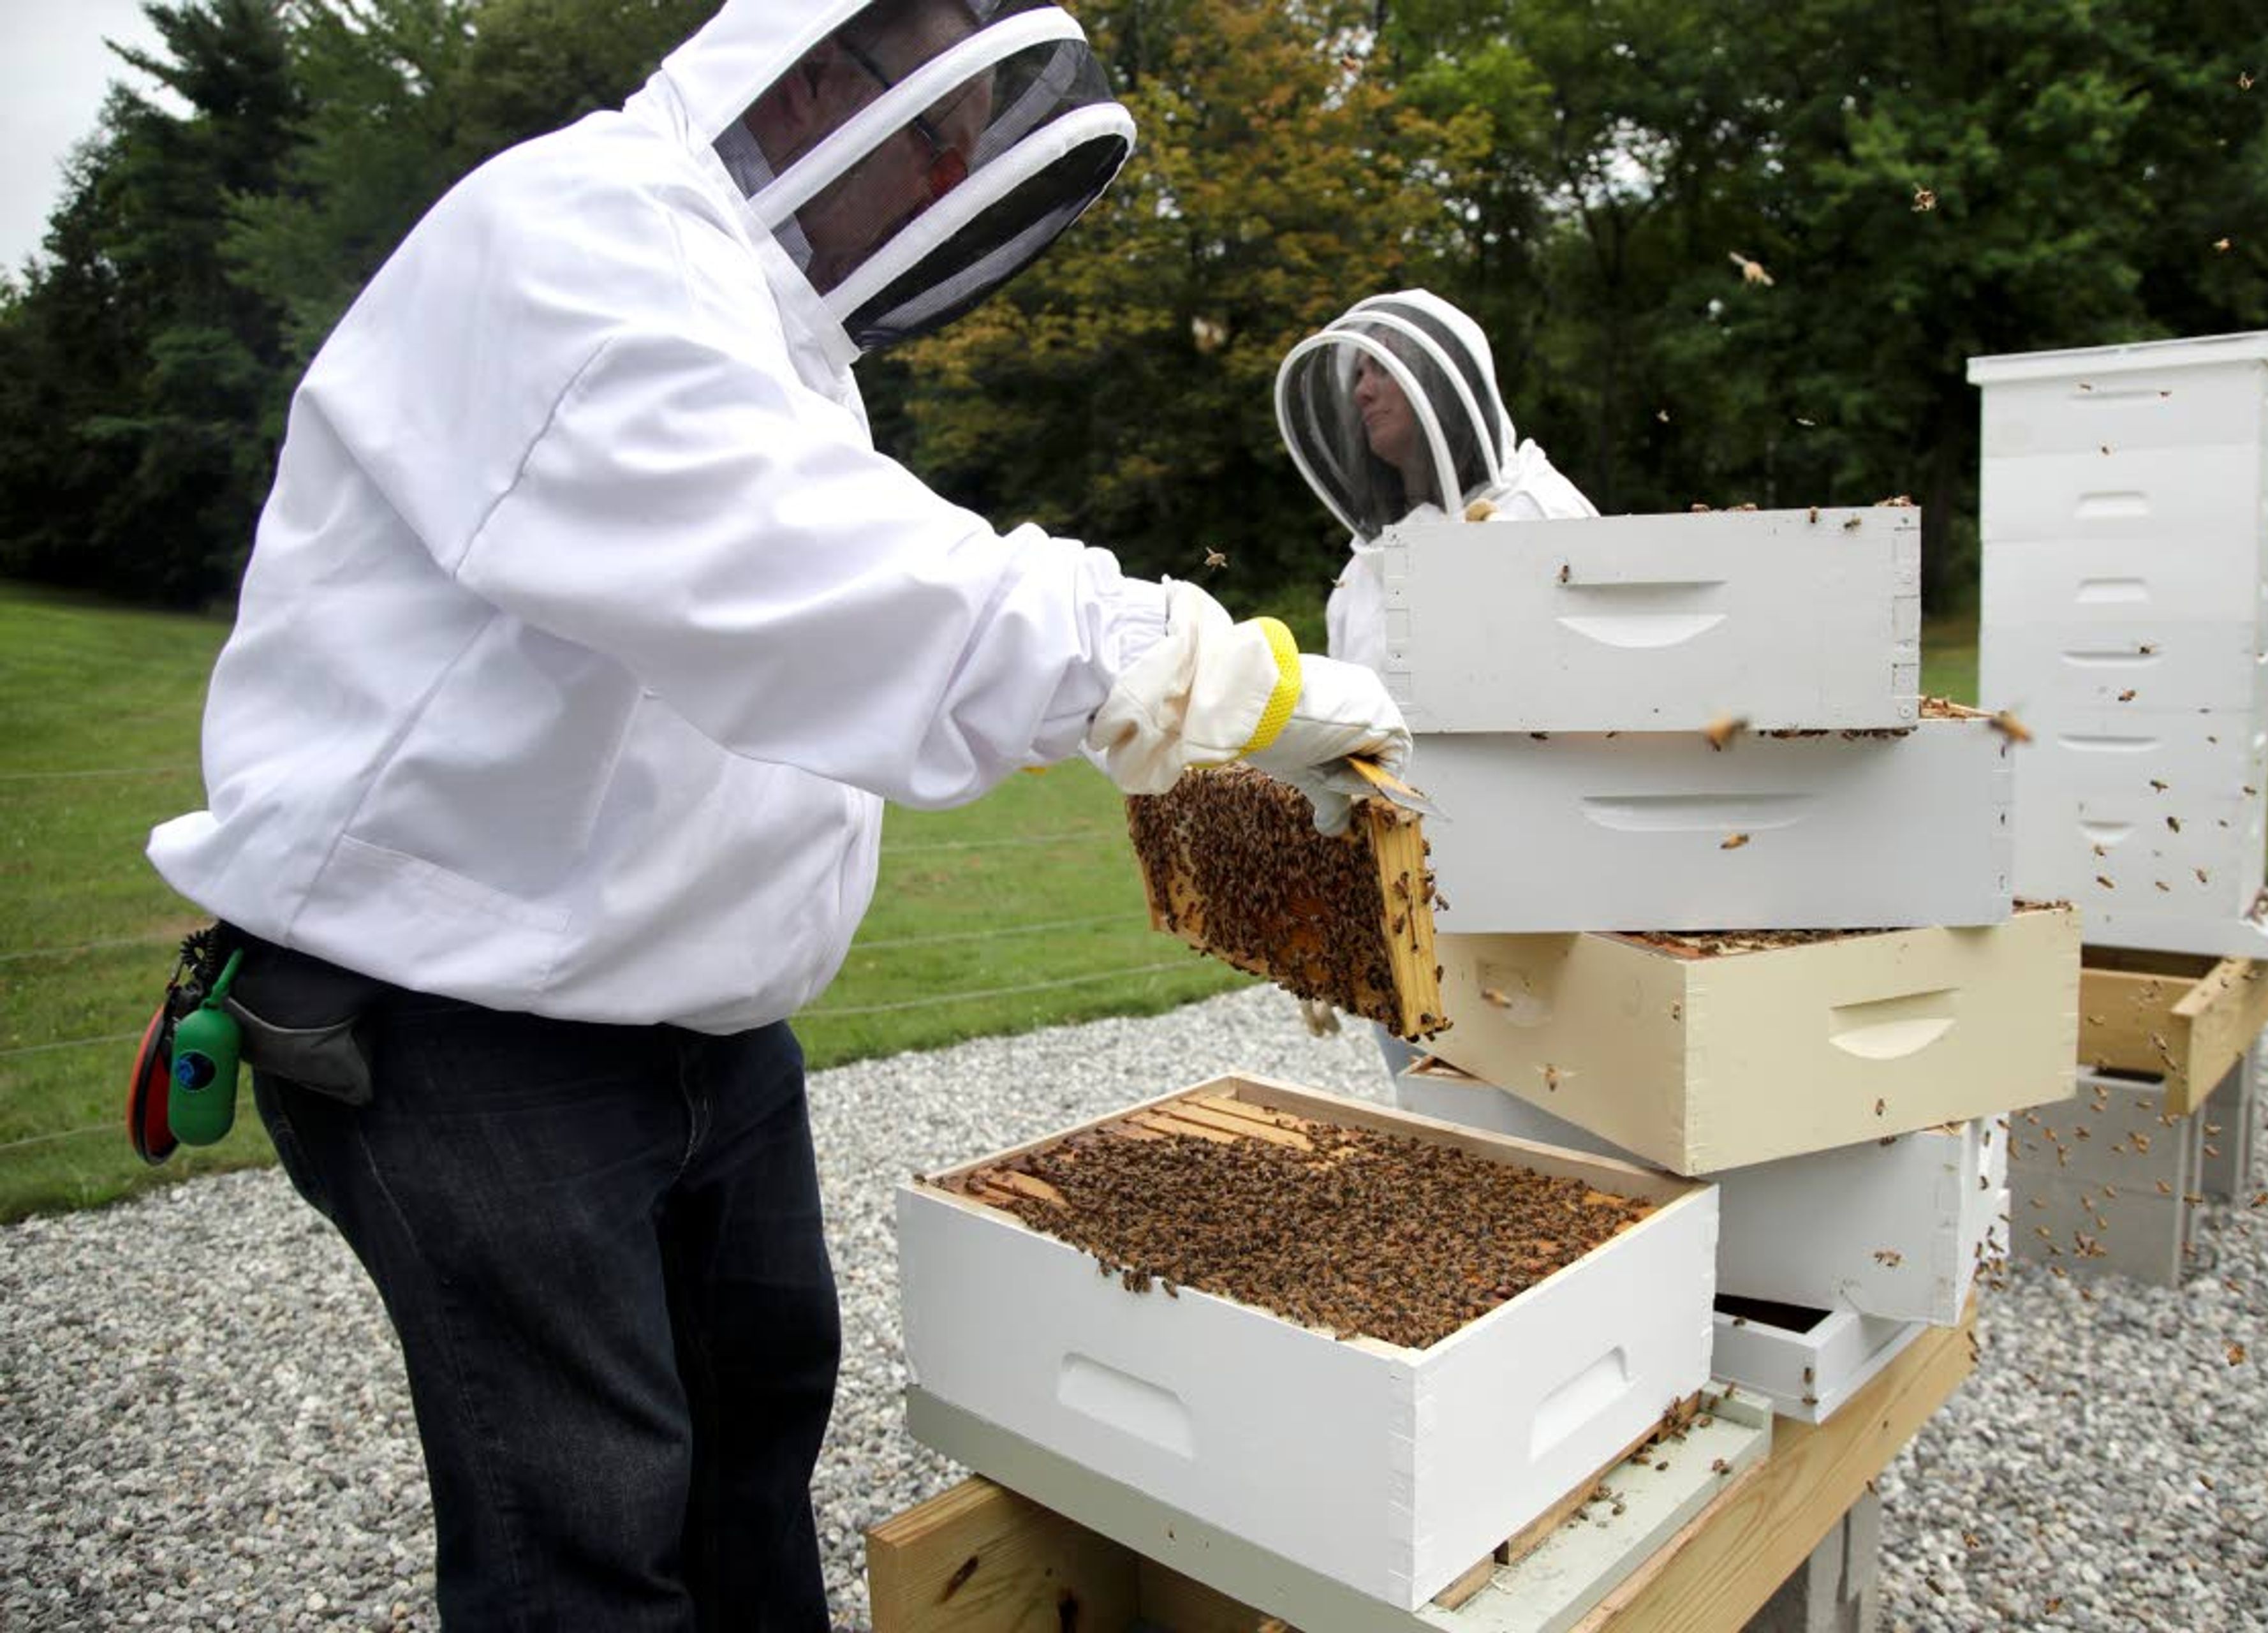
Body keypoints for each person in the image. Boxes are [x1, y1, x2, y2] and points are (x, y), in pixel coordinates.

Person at [142, 2, 1406, 1626]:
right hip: (465, 1024)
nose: (952, 174)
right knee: (586, 1534)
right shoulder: (579, 230)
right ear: (815, 77)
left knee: (752, 1448)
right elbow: (814, 574)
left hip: (702, 1036)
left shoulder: (757, 326)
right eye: (939, 127)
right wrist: (1197, 674)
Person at [1272, 290, 1597, 1075]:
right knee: (1440, 1134)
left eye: (1383, 365)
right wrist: (1328, 919)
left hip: (1527, 904)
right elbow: (1350, 745)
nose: (1362, 388)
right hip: (1402, 896)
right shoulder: (1367, 565)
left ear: (1442, 381)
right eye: (1357, 371)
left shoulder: (1537, 517)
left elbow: (1592, 724)